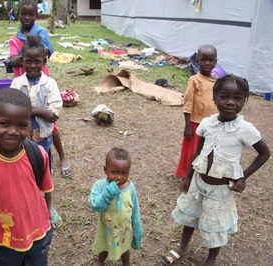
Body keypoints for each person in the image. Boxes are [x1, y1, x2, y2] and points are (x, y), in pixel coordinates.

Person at [162, 75, 271, 266]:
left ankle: (211, 259)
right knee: (190, 217)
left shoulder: (244, 129)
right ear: (214, 97)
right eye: (224, 96)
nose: (230, 102)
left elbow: (264, 153)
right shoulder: (206, 123)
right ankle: (182, 247)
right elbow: (199, 151)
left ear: (244, 101)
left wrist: (243, 177)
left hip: (221, 191)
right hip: (198, 183)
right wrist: (188, 177)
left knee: (215, 226)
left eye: (237, 98)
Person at [0, 88, 55, 265]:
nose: (13, 131)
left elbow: (46, 189)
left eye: (22, 125)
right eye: (5, 123)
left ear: (29, 125)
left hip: (39, 234)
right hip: (4, 241)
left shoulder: (38, 155)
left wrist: (47, 214)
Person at [7, 0, 72, 178]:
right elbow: (13, 107)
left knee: (45, 153)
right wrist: (38, 111)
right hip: (24, 132)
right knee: (24, 160)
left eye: (31, 14)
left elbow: (52, 112)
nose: (27, 17)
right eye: (23, 13)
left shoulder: (49, 84)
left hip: (43, 129)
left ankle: (60, 160)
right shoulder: (17, 83)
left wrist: (35, 53)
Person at [89, 147, 142, 266]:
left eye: (124, 173)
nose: (119, 177)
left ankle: (126, 263)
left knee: (124, 248)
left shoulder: (130, 188)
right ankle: (100, 261)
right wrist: (108, 192)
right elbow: (94, 205)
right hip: (106, 229)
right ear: (105, 170)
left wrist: (137, 231)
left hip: (124, 230)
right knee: (104, 247)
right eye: (114, 172)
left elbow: (135, 211)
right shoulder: (100, 186)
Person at [175, 44, 218, 179]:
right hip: (195, 123)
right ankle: (186, 174)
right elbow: (188, 102)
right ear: (197, 61)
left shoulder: (217, 80)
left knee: (208, 149)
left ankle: (203, 173)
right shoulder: (194, 80)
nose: (207, 63)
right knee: (191, 150)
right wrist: (188, 125)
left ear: (216, 62)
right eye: (203, 60)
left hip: (212, 124)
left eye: (211, 60)